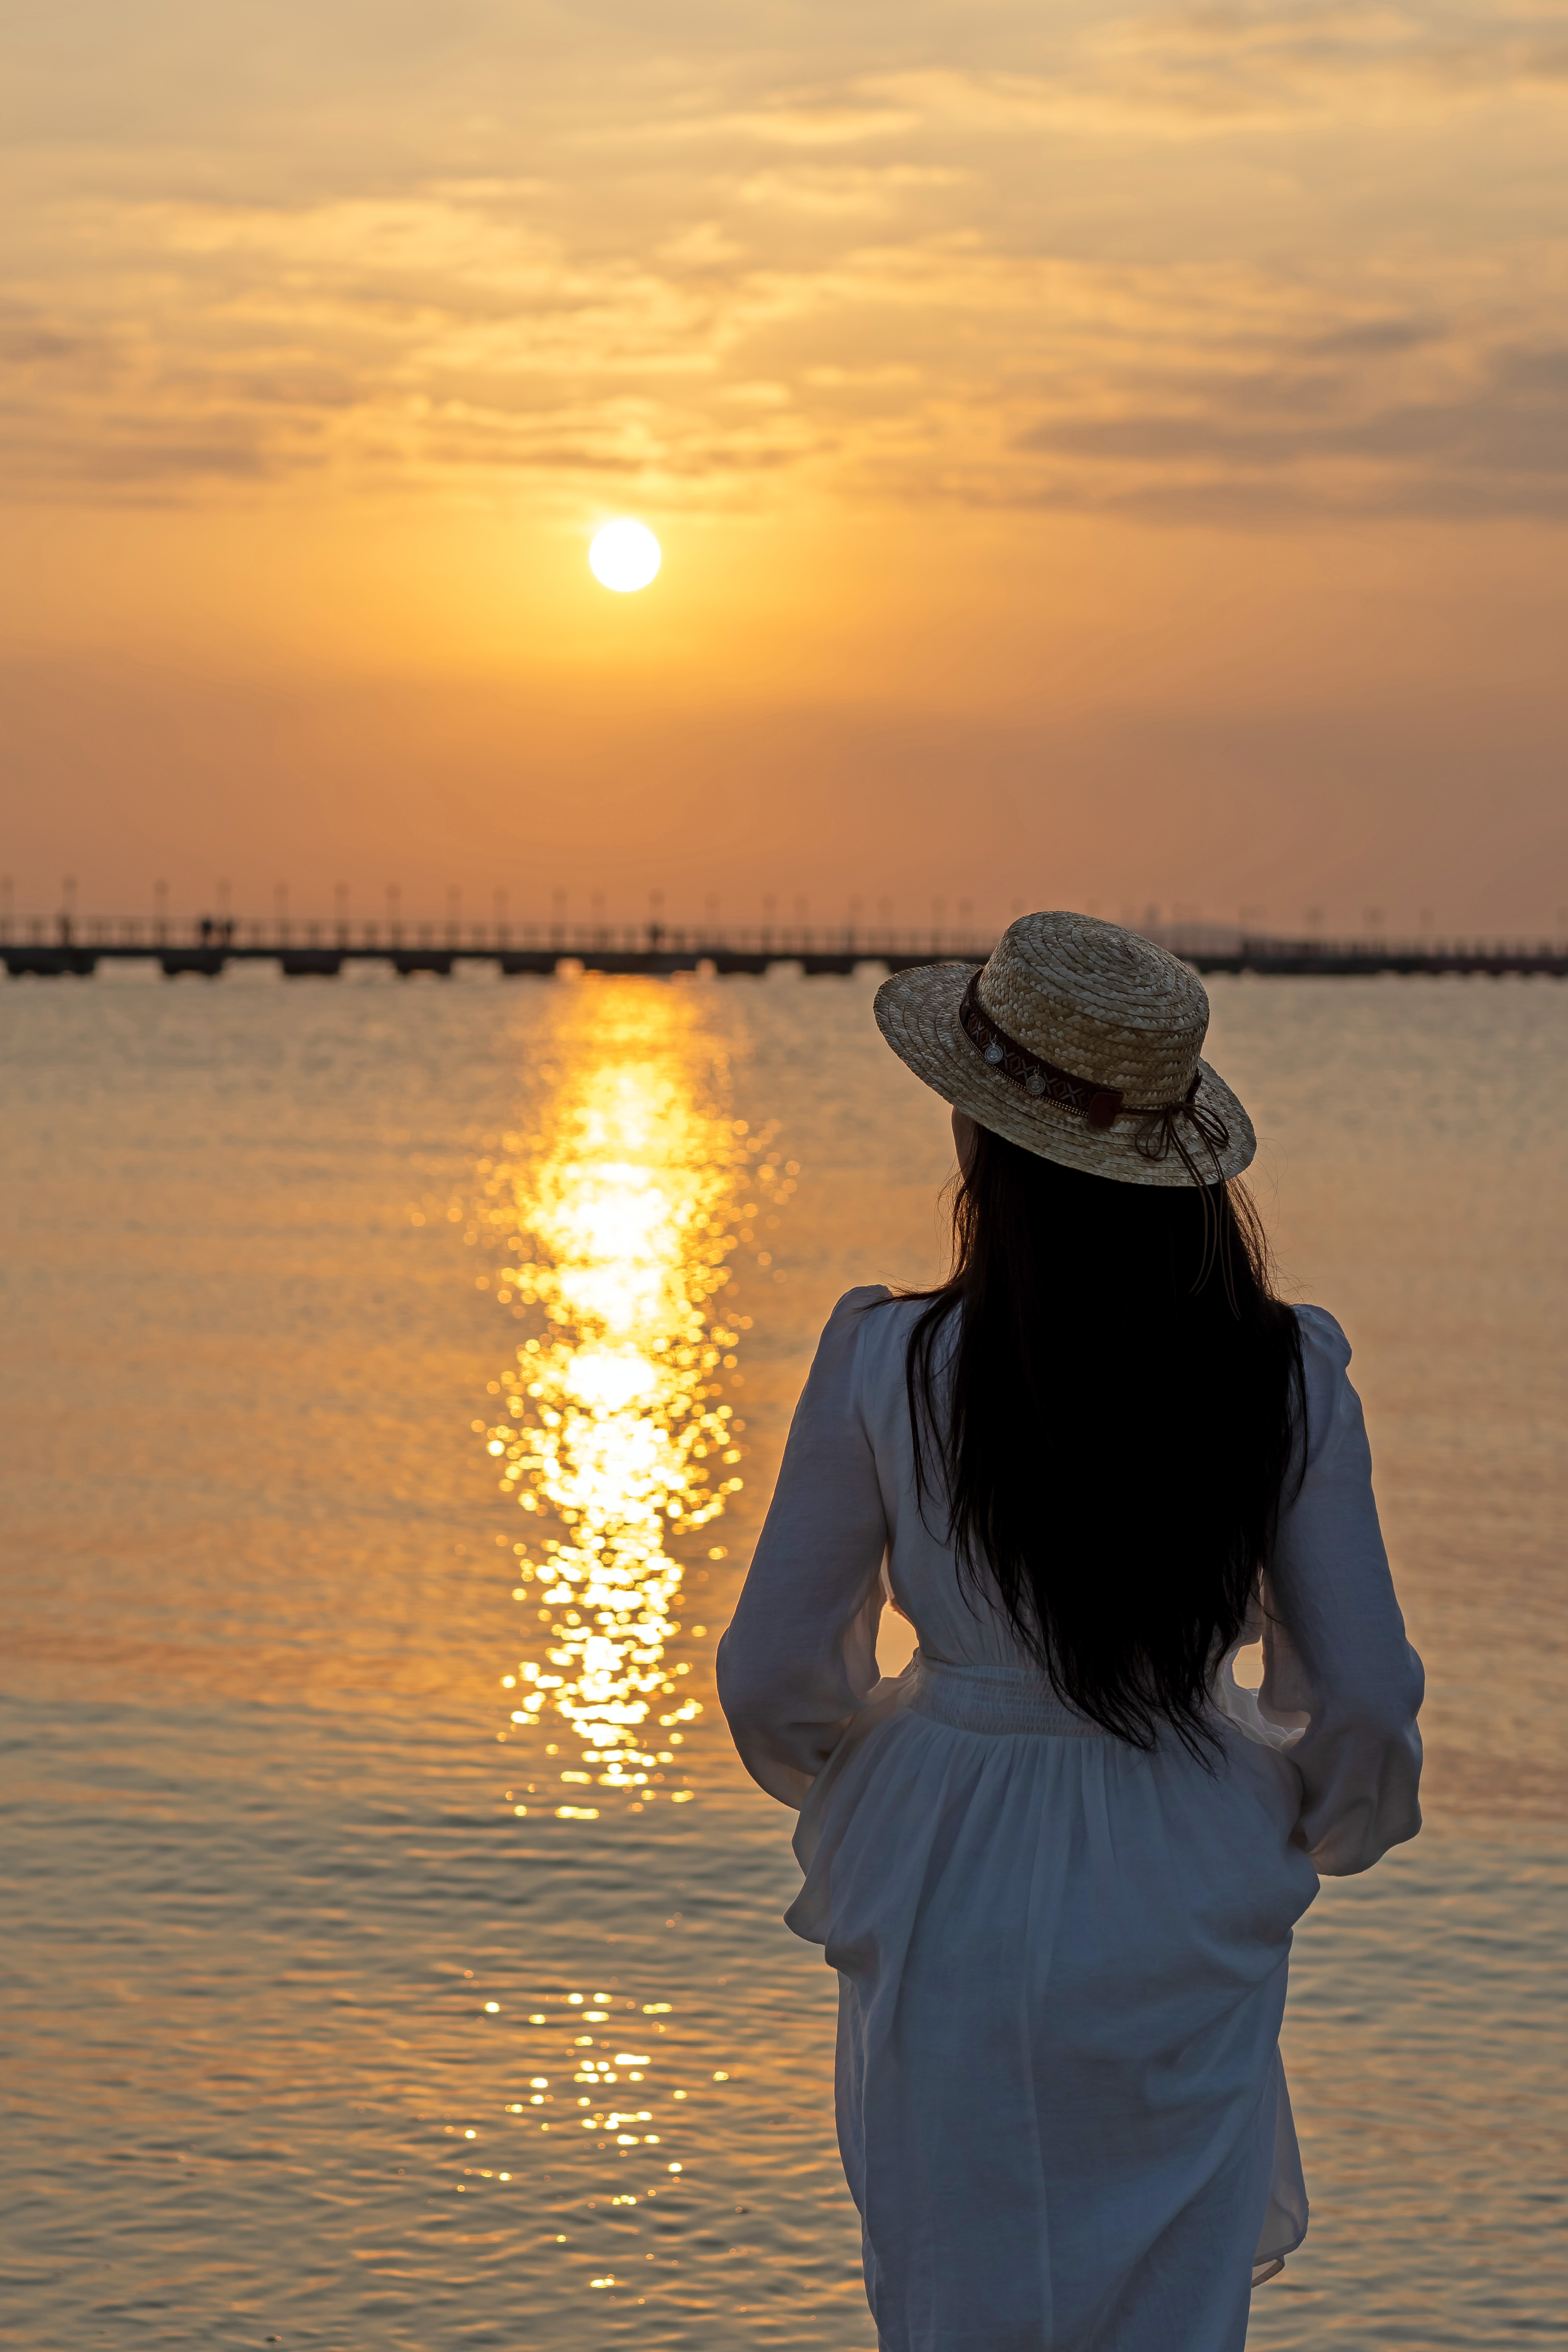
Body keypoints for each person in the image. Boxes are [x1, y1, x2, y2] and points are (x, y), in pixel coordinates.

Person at [717, 910, 1423, 2352]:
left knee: (956, 2284)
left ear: (986, 1142)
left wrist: (860, 1775)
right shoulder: (1284, 1373)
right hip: (1182, 1850)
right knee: (1165, 2294)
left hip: (949, 1853)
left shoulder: (889, 1359)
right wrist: (1299, 1824)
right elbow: (1365, 1702)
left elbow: (775, 1674)